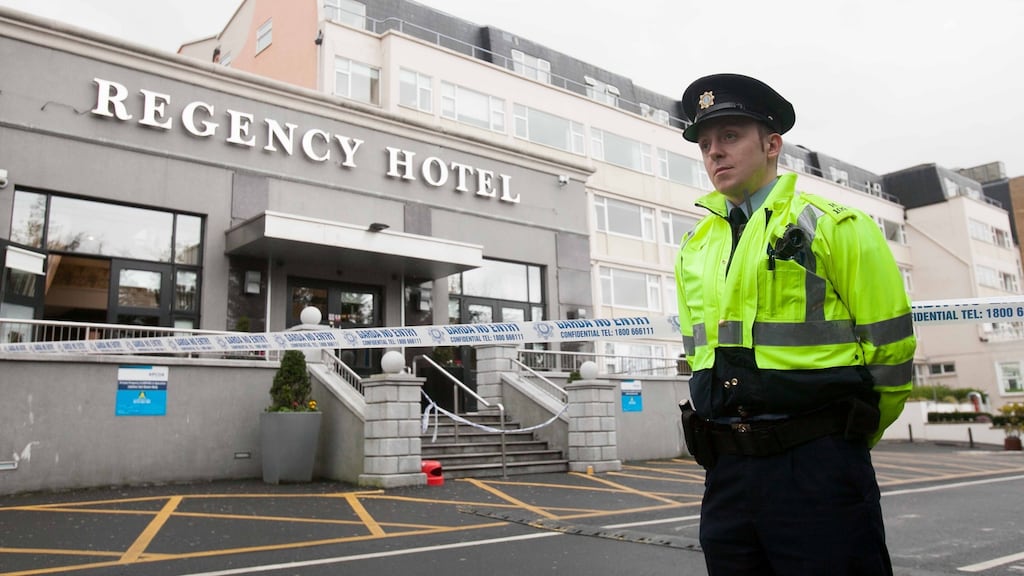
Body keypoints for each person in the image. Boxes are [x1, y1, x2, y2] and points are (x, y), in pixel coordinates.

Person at [674, 73, 917, 575]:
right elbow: (699, 353)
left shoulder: (837, 227)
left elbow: (891, 353)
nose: (714, 152)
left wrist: (847, 439)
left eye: (730, 136)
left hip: (817, 467)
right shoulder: (697, 246)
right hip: (727, 472)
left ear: (771, 144)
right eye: (705, 143)